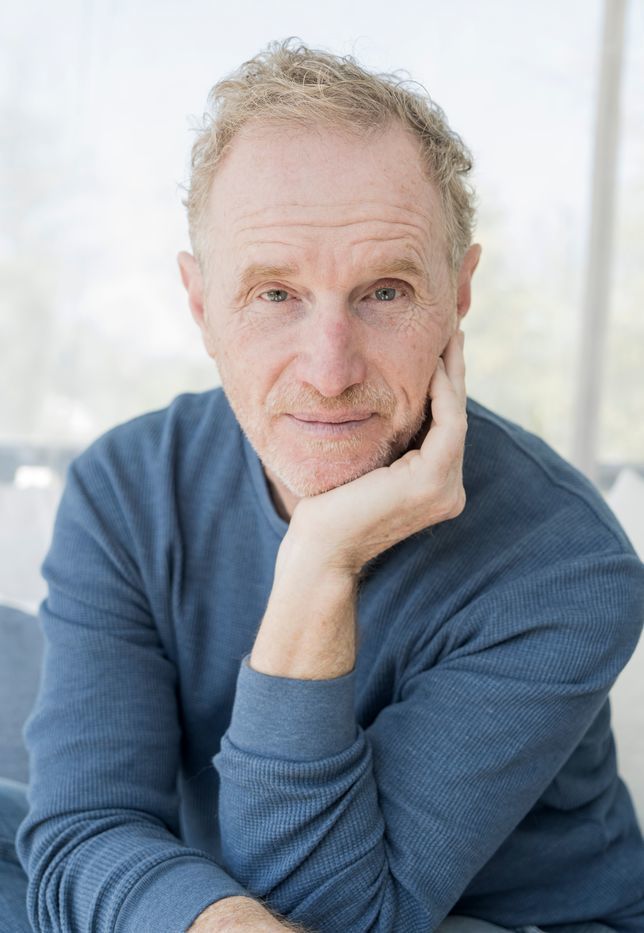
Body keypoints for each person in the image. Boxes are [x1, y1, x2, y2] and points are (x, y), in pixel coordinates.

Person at [2, 37, 643, 933]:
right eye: (274, 294)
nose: (330, 370)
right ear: (201, 305)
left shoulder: (569, 563)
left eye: (386, 292)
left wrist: (318, 559)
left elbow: (342, 917)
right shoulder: (127, 488)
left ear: (459, 295)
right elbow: (87, 828)